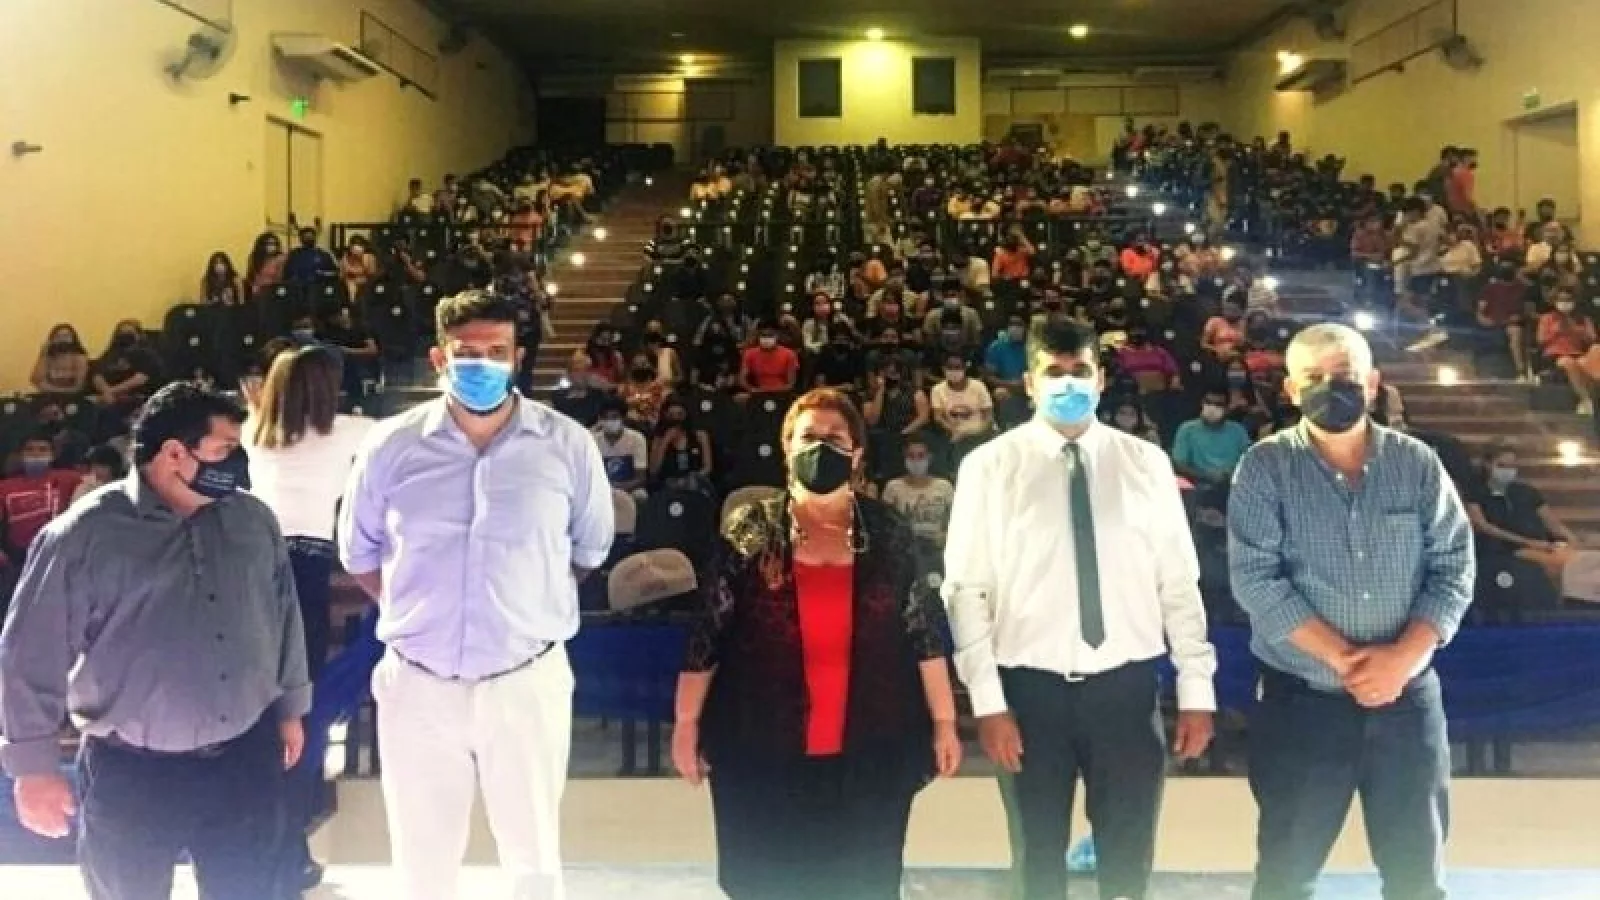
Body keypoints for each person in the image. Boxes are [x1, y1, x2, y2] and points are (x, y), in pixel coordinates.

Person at [338, 290, 614, 900]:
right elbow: (358, 554)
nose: (482, 364)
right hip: (419, 681)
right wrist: (421, 611)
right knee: (422, 861)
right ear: (440, 358)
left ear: (518, 357)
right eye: (467, 352)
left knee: (533, 857)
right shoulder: (391, 446)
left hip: (525, 678)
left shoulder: (567, 445)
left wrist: (520, 602)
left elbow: (589, 551)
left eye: (497, 351)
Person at [0, 382, 308, 900]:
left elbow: (282, 613)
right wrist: (34, 768)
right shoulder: (84, 536)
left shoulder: (253, 521)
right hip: (132, 772)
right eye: (224, 449)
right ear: (173, 454)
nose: (238, 462)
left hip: (243, 759)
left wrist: (290, 707)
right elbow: (30, 654)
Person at [944, 319, 1216, 900]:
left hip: (1126, 690)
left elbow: (1178, 583)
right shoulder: (988, 467)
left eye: (1080, 371)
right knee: (1036, 859)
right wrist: (987, 702)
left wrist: (1197, 690)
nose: (1068, 383)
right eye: (1054, 372)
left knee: (1128, 857)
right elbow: (966, 591)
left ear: (1100, 379)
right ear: (1028, 382)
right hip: (1029, 693)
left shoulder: (1145, 463)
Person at [672, 388, 961, 900]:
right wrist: (686, 723)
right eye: (809, 437)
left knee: (861, 882)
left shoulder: (888, 530)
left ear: (857, 453)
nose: (821, 447)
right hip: (761, 743)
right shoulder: (750, 528)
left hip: (870, 743)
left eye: (835, 438)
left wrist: (943, 722)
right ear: (786, 447)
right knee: (768, 882)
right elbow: (708, 635)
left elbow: (923, 631)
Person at [1227, 323, 1473, 900]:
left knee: (1417, 877)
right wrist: (1349, 662)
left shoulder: (1416, 463)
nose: (1330, 387)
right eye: (1314, 377)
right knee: (1286, 876)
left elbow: (1454, 568)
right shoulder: (1264, 468)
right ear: (1291, 389)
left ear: (1374, 383)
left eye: (1345, 376)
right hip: (1302, 705)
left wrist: (1400, 660)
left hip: (1407, 703)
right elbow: (1256, 580)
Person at [240, 345, 373, 889]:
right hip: (307, 567)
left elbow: (265, 415)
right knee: (299, 709)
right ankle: (288, 845)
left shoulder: (255, 432)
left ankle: (265, 846)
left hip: (254, 564)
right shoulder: (346, 432)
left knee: (261, 709)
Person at [1465, 440, 1581, 594]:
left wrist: (1572, 540)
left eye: (1512, 466)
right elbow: (1483, 526)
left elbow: (1553, 523)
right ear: (1488, 465)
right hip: (1507, 548)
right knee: (1560, 564)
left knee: (1582, 561)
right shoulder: (1476, 492)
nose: (1508, 471)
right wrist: (1530, 543)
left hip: (1542, 544)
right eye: (1502, 465)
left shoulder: (1526, 491)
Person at [880, 435, 955, 546]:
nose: (916, 461)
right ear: (905, 458)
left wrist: (946, 536)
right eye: (911, 456)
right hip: (905, 548)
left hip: (937, 546)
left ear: (930, 457)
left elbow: (957, 519)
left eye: (921, 456)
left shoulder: (945, 486)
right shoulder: (893, 486)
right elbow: (884, 522)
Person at [1171, 389, 1253, 488]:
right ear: (1202, 404)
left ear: (1227, 408)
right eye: (1208, 402)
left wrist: (1230, 475)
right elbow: (1179, 465)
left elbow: (1249, 459)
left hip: (1233, 485)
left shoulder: (1238, 430)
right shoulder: (1187, 429)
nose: (1212, 408)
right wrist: (1205, 476)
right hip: (1197, 486)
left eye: (1218, 405)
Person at [1535, 289, 1600, 415]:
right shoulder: (1547, 318)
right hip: (1555, 356)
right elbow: (1541, 339)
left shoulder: (1583, 319)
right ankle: (1585, 400)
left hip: (1578, 354)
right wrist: (1555, 331)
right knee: (1568, 362)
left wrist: (1578, 331)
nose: (1565, 303)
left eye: (1568, 300)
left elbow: (1592, 338)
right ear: (1555, 302)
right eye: (1561, 300)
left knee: (1595, 351)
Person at [92, 319, 163, 417]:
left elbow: (140, 379)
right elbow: (97, 374)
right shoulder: (111, 354)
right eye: (122, 334)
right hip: (108, 397)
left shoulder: (146, 354)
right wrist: (106, 392)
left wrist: (110, 392)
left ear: (139, 335)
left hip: (136, 399)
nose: (125, 337)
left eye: (129, 333)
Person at [649, 394, 714, 493]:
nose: (676, 419)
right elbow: (653, 470)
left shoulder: (700, 435)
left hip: (695, 482)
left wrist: (691, 479)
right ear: (665, 415)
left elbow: (708, 467)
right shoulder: (659, 438)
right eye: (672, 415)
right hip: (668, 484)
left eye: (680, 415)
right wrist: (665, 441)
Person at [593, 396, 649, 502]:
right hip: (602, 488)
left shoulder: (637, 438)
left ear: (623, 418)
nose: (609, 421)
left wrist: (619, 487)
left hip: (629, 488)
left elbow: (641, 478)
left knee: (640, 495)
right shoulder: (593, 440)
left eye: (614, 417)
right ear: (600, 419)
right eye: (605, 418)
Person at [740, 322, 801, 395]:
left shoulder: (789, 354)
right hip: (757, 391)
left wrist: (774, 392)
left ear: (777, 336)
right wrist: (752, 389)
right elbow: (742, 379)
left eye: (770, 336)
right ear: (758, 337)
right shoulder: (749, 353)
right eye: (763, 336)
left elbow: (791, 383)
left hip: (782, 392)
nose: (766, 340)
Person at [31, 322, 91, 396]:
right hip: (48, 397)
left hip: (72, 397)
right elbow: (35, 380)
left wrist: (53, 390)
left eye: (66, 336)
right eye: (58, 336)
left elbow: (78, 387)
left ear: (73, 339)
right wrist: (43, 354)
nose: (62, 339)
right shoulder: (48, 357)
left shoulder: (79, 357)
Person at [245, 232, 287, 296]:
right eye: (269, 244)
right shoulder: (255, 257)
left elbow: (281, 279)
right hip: (257, 292)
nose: (273, 246)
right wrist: (253, 287)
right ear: (262, 245)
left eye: (275, 244)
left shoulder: (280, 258)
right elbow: (250, 276)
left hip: (273, 292)